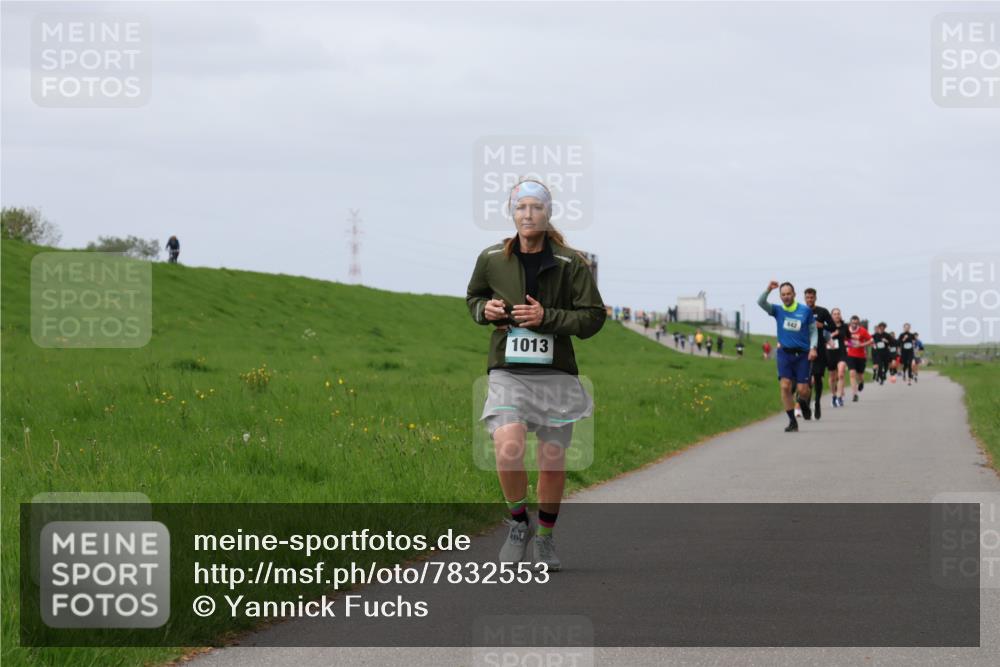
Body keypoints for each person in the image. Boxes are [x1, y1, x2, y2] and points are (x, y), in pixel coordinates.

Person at [466, 179, 606, 571]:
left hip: (555, 373)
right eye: (521, 207)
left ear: (548, 213)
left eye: (536, 207)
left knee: (551, 461)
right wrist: (485, 311)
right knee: (507, 446)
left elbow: (593, 317)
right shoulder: (491, 258)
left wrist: (547, 318)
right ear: (512, 213)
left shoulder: (570, 263)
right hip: (508, 371)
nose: (528, 215)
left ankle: (544, 538)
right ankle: (517, 524)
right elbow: (474, 298)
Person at [757, 281, 818, 432]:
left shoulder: (805, 311)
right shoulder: (777, 310)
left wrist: (813, 348)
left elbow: (813, 331)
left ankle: (803, 402)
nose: (786, 297)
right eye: (783, 294)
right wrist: (768, 289)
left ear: (794, 294)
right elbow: (761, 302)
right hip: (784, 354)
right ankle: (792, 421)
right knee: (785, 386)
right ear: (780, 296)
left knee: (803, 390)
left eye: (788, 294)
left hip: (802, 355)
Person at [802, 288, 834, 420]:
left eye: (811, 297)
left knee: (817, 377)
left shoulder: (823, 311)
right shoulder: (801, 311)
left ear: (815, 298)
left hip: (819, 348)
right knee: (807, 379)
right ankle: (807, 403)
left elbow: (833, 327)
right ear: (804, 298)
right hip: (804, 348)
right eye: (807, 297)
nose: (809, 300)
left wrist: (822, 326)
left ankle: (817, 403)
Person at [845, 315, 873, 402]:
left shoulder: (862, 330)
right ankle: (854, 394)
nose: (854, 324)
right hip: (850, 355)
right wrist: (849, 344)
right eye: (853, 323)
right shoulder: (846, 330)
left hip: (861, 356)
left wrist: (861, 345)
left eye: (856, 323)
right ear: (850, 323)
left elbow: (871, 340)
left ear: (858, 323)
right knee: (852, 374)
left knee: (860, 375)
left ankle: (861, 382)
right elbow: (844, 340)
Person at [826, 308, 849, 407]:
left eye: (838, 313)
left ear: (840, 315)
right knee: (832, 377)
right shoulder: (827, 326)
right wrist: (832, 334)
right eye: (834, 314)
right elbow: (822, 338)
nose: (837, 315)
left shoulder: (845, 326)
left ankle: (839, 397)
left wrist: (849, 344)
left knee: (841, 374)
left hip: (841, 353)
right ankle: (834, 396)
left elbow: (849, 338)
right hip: (830, 353)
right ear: (831, 316)